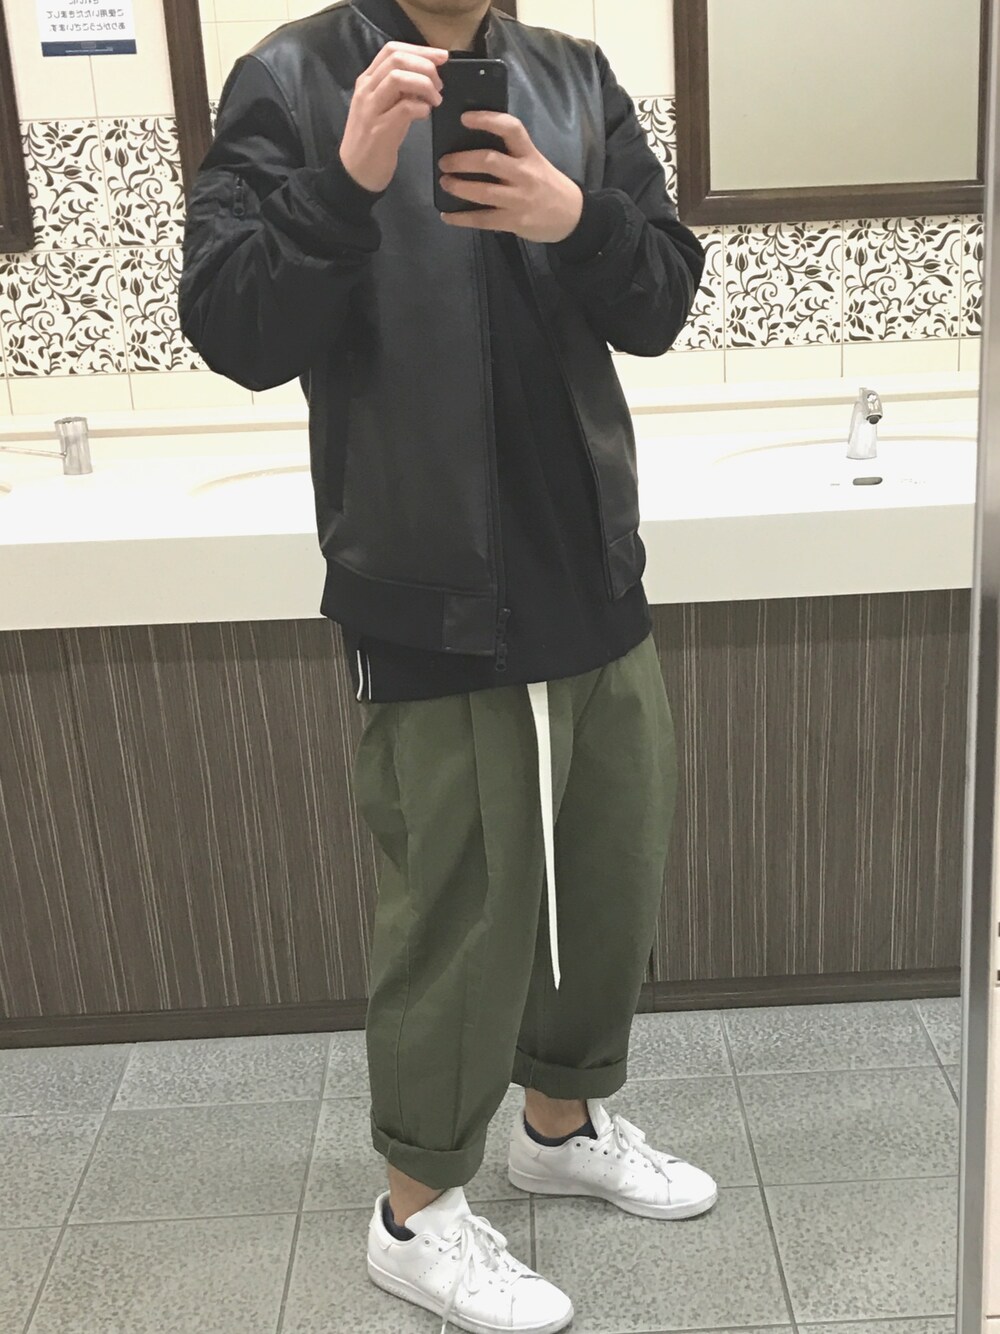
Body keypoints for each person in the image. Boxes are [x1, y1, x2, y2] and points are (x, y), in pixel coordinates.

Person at [179, 1, 717, 1329]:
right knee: (459, 912)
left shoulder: (573, 78)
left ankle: (559, 1123)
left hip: (590, 566)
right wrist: (344, 183)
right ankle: (413, 1212)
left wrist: (572, 217)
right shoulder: (293, 78)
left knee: (608, 873)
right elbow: (233, 329)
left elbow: (662, 296)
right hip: (425, 581)